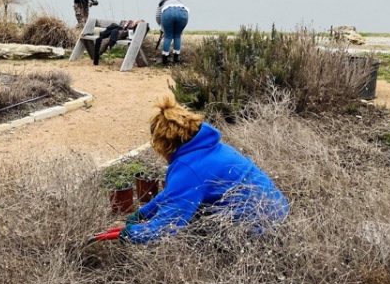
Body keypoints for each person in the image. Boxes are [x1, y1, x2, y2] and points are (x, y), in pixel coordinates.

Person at [120, 96, 288, 243]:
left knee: (191, 228)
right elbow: (175, 193)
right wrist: (144, 213)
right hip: (278, 213)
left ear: (165, 144)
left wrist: (131, 234)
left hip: (262, 231)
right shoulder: (211, 149)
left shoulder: (190, 170)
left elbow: (166, 226)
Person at [156, 0, 188, 66]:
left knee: (168, 36)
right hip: (183, 12)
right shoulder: (179, 2)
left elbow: (158, 16)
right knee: (177, 36)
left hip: (168, 12)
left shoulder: (162, 3)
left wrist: (161, 27)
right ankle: (176, 58)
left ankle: (165, 59)